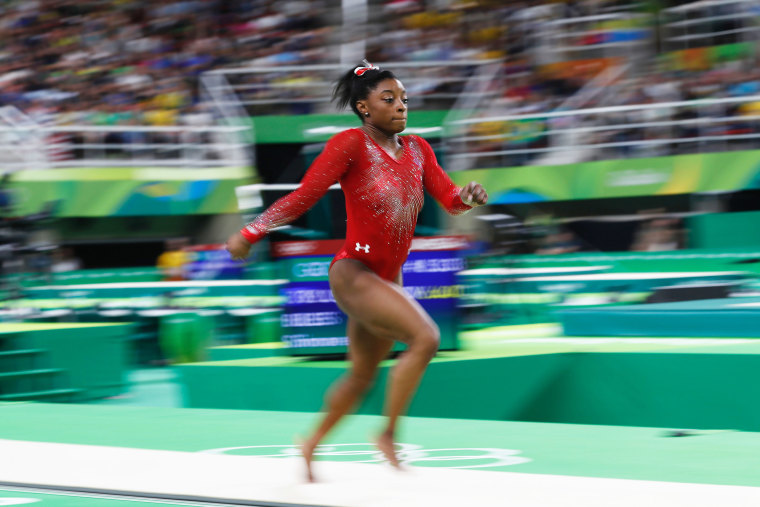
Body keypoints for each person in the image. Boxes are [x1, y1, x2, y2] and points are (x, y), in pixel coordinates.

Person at [225, 60, 488, 482]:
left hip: (387, 279)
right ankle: (387, 434)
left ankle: (310, 445)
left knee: (362, 376)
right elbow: (304, 197)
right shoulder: (350, 144)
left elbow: (451, 200)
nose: (401, 106)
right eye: (389, 99)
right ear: (364, 108)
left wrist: (468, 197)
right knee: (426, 337)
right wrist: (252, 231)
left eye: (404, 99)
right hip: (354, 272)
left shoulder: (420, 150)